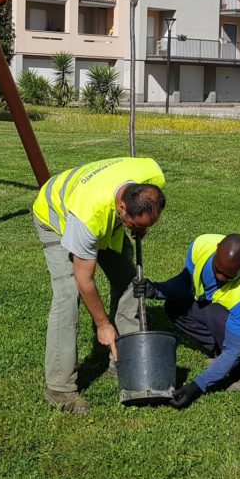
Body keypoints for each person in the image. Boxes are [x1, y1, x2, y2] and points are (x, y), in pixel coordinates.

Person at [32, 157, 167, 414]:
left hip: (105, 216)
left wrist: (140, 226)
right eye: (136, 226)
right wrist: (103, 325)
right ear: (122, 207)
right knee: (68, 294)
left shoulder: (152, 175)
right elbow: (85, 280)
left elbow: (141, 211)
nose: (140, 231)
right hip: (56, 215)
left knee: (130, 283)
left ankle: (123, 359)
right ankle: (60, 389)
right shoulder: (88, 216)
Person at [132, 233, 240, 409]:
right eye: (217, 269)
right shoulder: (201, 245)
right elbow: (185, 283)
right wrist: (156, 290)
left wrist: (197, 387)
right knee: (175, 306)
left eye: (227, 276)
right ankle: (221, 354)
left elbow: (235, 349)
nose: (219, 277)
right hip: (221, 308)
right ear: (217, 249)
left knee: (215, 315)